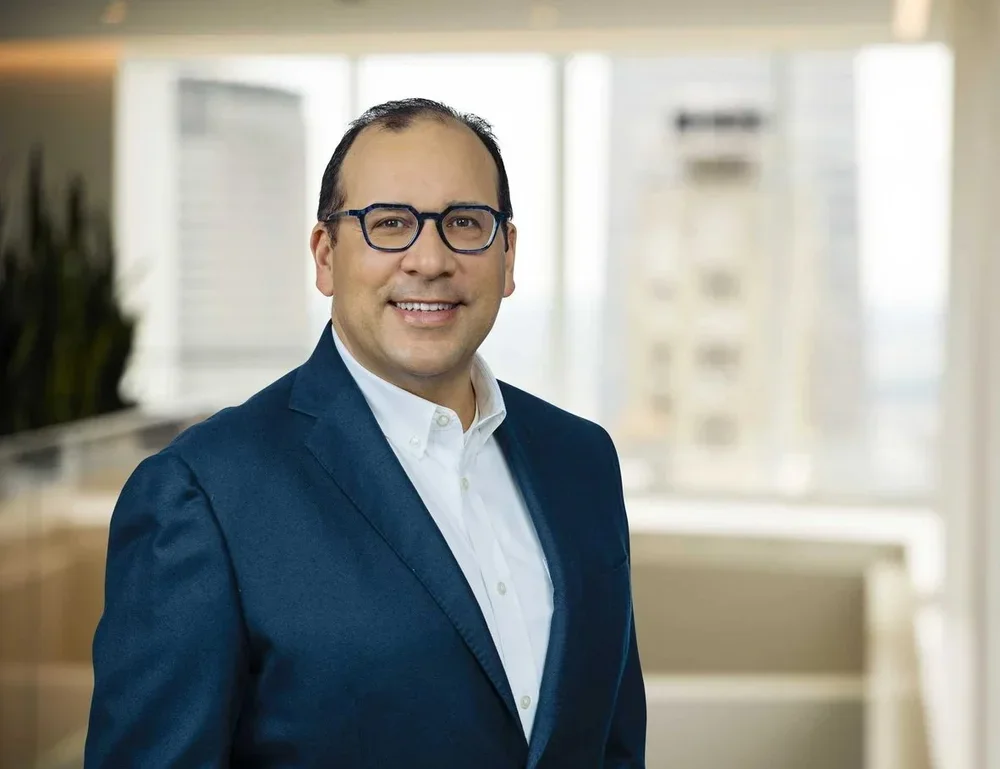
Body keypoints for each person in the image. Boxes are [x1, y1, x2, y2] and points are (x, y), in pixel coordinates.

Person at [84, 97, 646, 768]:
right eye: (389, 223)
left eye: (465, 222)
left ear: (508, 254)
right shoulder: (202, 494)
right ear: (325, 255)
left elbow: (612, 744)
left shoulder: (581, 460)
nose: (430, 258)